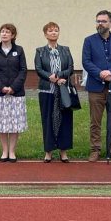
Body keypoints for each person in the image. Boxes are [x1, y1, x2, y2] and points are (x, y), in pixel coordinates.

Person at [82, 10, 111, 162]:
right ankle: (95, 149)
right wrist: (100, 73)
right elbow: (86, 61)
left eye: (103, 21)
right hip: (95, 87)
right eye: (98, 21)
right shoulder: (89, 41)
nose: (100, 24)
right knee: (95, 122)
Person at [34, 22, 74, 163]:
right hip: (47, 89)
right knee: (48, 120)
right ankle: (48, 151)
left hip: (63, 89)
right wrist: (50, 77)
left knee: (65, 120)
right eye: (50, 31)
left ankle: (63, 151)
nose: (53, 33)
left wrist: (59, 76)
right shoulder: (40, 51)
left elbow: (71, 68)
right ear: (45, 34)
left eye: (56, 30)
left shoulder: (66, 50)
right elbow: (38, 68)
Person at [0, 23, 28, 162]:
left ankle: (12, 151)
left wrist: (13, 87)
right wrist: (1, 87)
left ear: (13, 35)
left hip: (16, 93)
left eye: (7, 32)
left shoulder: (19, 50)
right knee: (1, 123)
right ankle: (4, 151)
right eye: (2, 31)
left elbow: (23, 70)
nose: (4, 34)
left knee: (14, 123)